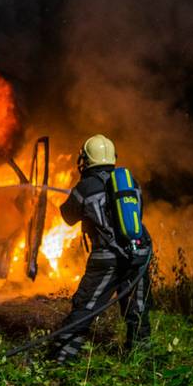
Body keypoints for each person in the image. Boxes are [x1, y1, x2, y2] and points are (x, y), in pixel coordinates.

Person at [48, 134, 152, 364]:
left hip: (107, 258)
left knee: (85, 307)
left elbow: (68, 217)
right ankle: (142, 360)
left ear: (86, 160)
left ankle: (61, 359)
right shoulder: (130, 183)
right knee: (138, 309)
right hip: (138, 253)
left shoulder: (85, 187)